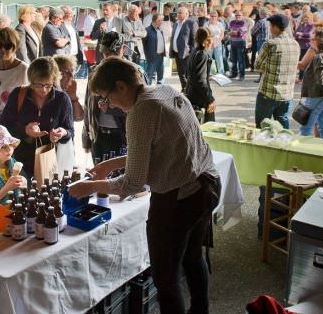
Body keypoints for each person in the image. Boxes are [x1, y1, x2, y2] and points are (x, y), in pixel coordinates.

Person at [69, 57, 221, 314]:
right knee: (193, 257)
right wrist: (111, 164)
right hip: (207, 184)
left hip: (180, 197)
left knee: (165, 278)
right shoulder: (163, 90)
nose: (107, 106)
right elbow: (160, 150)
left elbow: (133, 183)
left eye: (106, 97)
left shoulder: (141, 112)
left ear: (121, 86)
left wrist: (91, 187)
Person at [0, 57, 74, 179]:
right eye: (38, 85)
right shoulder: (18, 95)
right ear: (31, 81)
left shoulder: (62, 99)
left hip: (50, 162)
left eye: (48, 85)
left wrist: (62, 133)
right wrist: (25, 130)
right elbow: (3, 127)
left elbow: (70, 130)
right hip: (19, 162)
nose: (43, 90)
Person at [82, 32, 129, 163]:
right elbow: (88, 105)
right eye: (107, 53)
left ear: (123, 49)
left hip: (124, 137)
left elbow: (140, 110)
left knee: (120, 179)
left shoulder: (132, 74)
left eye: (114, 53)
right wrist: (86, 136)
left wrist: (113, 108)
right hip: (98, 137)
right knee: (99, 179)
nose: (110, 57)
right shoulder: (95, 72)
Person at [254, 14, 300, 129]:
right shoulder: (295, 44)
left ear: (275, 27)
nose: (270, 29)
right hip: (287, 94)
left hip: (268, 93)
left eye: (271, 26)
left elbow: (257, 66)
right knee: (283, 127)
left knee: (262, 127)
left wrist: (269, 67)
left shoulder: (270, 44)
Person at [185, 27, 216, 122]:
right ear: (202, 40)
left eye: (211, 39)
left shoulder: (195, 51)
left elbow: (188, 74)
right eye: (208, 39)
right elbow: (200, 81)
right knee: (208, 128)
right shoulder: (202, 54)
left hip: (192, 94)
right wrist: (210, 99)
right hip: (200, 98)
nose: (211, 42)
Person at [170, 6, 198, 91]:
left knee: (187, 73)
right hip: (176, 53)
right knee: (180, 73)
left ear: (186, 14)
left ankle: (190, 90)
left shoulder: (191, 23)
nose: (178, 14)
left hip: (186, 53)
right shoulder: (176, 23)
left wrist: (191, 52)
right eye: (177, 13)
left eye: (180, 13)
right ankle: (184, 89)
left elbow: (194, 39)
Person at [54, 54, 84, 122]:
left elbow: (79, 118)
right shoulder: (47, 90)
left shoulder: (69, 89)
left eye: (72, 72)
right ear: (56, 72)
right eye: (67, 72)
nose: (71, 76)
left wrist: (73, 96)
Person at [143, 13, 166, 85]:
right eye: (160, 20)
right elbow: (143, 44)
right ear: (154, 21)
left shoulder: (160, 30)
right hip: (152, 57)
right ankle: (147, 90)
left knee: (160, 76)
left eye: (162, 20)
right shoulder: (147, 30)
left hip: (160, 56)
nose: (161, 22)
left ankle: (160, 91)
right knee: (149, 75)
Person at [294, 13, 314, 80]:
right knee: (300, 62)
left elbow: (309, 36)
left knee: (305, 62)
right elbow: (295, 34)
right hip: (300, 46)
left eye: (307, 18)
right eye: (304, 18)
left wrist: (301, 35)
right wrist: (301, 36)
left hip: (307, 47)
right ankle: (300, 78)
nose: (305, 20)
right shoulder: (301, 25)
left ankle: (303, 78)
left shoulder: (311, 26)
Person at [228, 11, 248, 80]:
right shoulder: (231, 22)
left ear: (242, 16)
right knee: (233, 60)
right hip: (233, 43)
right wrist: (234, 32)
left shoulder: (244, 23)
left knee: (241, 60)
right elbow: (228, 31)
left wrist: (234, 32)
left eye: (239, 15)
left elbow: (241, 33)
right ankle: (234, 74)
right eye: (236, 15)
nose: (238, 16)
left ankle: (242, 75)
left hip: (240, 44)